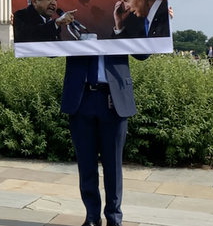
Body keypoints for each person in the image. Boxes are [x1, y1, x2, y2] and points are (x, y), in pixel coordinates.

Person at [61, 54, 148, 226]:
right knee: (85, 163)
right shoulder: (75, 26)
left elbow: (142, 54)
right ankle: (92, 216)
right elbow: (49, 49)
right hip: (80, 96)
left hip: (113, 96)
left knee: (113, 163)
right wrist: (27, 27)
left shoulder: (122, 27)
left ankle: (114, 217)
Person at [12, 0, 76, 43]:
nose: (53, 3)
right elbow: (29, 36)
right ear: (34, 1)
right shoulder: (21, 15)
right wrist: (56, 23)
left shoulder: (50, 22)